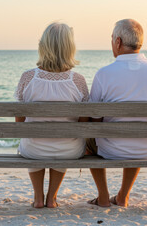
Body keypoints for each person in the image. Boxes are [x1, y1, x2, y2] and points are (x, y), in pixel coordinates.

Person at [87, 19, 147, 207]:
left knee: (86, 139)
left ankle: (103, 197)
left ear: (118, 42)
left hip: (112, 150)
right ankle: (123, 196)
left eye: (111, 39)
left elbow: (94, 118)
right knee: (141, 130)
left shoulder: (104, 73)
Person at [14, 22, 89, 208]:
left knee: (31, 139)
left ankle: (38, 198)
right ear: (70, 48)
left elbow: (19, 121)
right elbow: (84, 123)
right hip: (69, 151)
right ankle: (52, 198)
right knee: (65, 140)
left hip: (33, 150)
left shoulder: (27, 78)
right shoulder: (78, 81)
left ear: (43, 45)